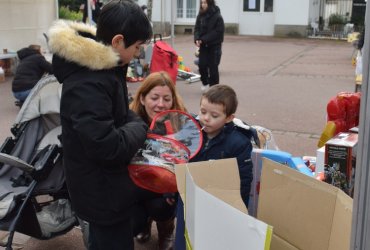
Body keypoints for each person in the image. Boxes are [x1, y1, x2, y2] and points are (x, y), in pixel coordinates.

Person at [47, 1, 152, 249]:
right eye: (137, 47)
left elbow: (120, 115)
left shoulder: (104, 68)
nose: (138, 53)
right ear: (117, 41)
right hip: (100, 190)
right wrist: (141, 127)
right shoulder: (89, 82)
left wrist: (130, 122)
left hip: (104, 185)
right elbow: (108, 146)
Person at [175, 84, 254, 249]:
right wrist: (171, 192)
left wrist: (239, 208)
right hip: (188, 197)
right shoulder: (190, 132)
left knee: (211, 240)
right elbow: (177, 162)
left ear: (229, 118)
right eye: (203, 112)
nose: (206, 118)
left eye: (214, 115)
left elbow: (244, 179)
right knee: (184, 238)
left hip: (218, 202)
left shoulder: (238, 143)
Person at [130, 71, 187, 250]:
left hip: (164, 188)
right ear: (142, 98)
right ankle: (144, 223)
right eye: (154, 97)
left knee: (162, 206)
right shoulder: (129, 121)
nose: (161, 104)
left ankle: (166, 230)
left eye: (166, 98)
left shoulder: (181, 122)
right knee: (132, 221)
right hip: (136, 186)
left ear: (173, 100)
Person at [194, 0, 224, 92]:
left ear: (210, 3)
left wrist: (203, 39)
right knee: (201, 65)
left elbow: (217, 32)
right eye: (202, 3)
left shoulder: (217, 16)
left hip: (214, 46)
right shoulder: (200, 15)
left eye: (205, 3)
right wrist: (197, 39)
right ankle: (205, 82)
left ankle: (214, 89)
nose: (203, 5)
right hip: (203, 46)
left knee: (213, 68)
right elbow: (197, 29)